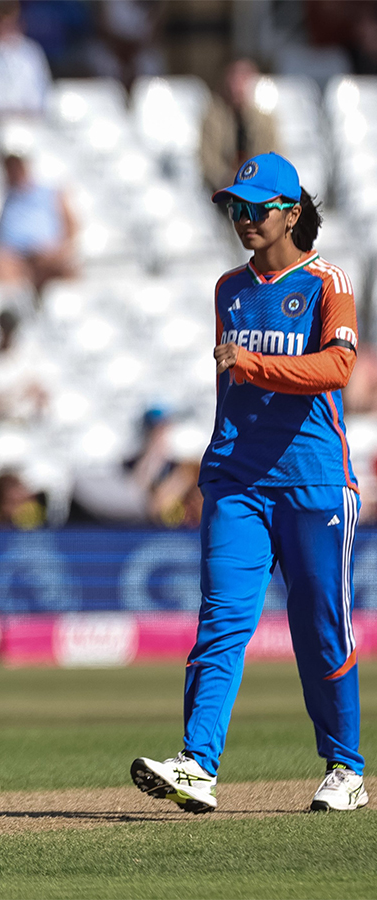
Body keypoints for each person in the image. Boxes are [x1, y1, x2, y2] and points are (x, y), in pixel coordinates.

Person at [131, 153, 368, 814]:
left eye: (256, 208)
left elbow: (338, 366)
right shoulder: (227, 287)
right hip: (237, 481)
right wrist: (211, 463)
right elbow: (227, 387)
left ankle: (345, 768)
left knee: (321, 627)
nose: (243, 220)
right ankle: (197, 764)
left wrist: (255, 363)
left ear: (292, 212)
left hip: (314, 481)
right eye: (235, 207)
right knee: (221, 622)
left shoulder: (327, 281)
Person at [0, 153, 78, 293]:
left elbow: (71, 223)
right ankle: (15, 307)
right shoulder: (3, 197)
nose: (13, 173)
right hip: (13, 255)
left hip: (46, 252)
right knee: (1, 266)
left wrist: (62, 247)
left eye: (16, 168)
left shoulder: (49, 193)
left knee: (66, 270)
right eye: (9, 169)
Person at [199, 58, 280, 196]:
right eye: (233, 79)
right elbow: (208, 160)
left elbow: (273, 156)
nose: (236, 86)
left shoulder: (265, 120)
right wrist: (228, 179)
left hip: (258, 187)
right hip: (223, 188)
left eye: (243, 80)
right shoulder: (214, 118)